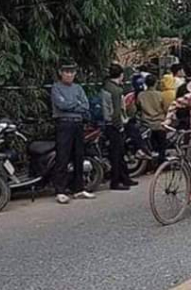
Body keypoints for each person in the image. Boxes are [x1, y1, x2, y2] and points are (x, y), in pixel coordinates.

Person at [50, 59, 95, 204]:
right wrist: (76, 103)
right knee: (62, 157)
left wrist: (72, 104)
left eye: (72, 72)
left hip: (78, 124)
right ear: (61, 73)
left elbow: (86, 105)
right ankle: (60, 191)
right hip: (64, 124)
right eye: (66, 72)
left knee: (78, 156)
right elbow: (61, 105)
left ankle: (78, 188)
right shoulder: (56, 87)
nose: (69, 75)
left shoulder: (78, 88)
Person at [101, 64, 138, 191]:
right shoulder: (116, 90)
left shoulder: (107, 86)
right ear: (121, 75)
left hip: (109, 123)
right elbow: (116, 111)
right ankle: (116, 181)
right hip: (114, 125)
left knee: (119, 153)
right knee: (117, 155)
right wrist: (119, 126)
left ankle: (124, 177)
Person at [138, 74, 168, 163]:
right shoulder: (160, 95)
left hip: (146, 124)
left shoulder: (141, 95)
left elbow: (138, 107)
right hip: (159, 123)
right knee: (161, 146)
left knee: (152, 146)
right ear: (155, 83)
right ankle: (161, 163)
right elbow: (165, 108)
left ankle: (152, 163)